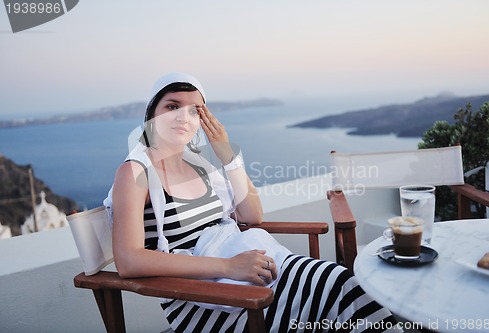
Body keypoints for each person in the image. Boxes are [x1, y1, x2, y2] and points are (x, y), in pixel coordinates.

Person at [106, 73, 403, 332]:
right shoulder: (135, 171)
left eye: (195, 111)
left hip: (240, 272)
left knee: (340, 281)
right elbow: (129, 260)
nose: (184, 117)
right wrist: (228, 267)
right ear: (151, 113)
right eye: (172, 106)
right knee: (336, 291)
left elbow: (252, 213)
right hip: (199, 298)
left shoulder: (198, 165)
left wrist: (226, 153)